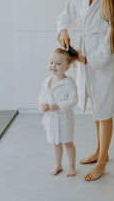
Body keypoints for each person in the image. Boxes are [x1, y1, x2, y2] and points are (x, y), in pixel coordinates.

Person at [56, 0, 114, 181]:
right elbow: (64, 15)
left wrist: (87, 60)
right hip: (84, 56)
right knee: (96, 108)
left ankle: (103, 160)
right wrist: (63, 31)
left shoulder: (112, 5)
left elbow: (110, 44)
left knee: (104, 110)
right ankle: (99, 151)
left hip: (101, 62)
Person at [38, 48, 78, 177]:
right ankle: (58, 164)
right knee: (56, 143)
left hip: (64, 118)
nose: (53, 66)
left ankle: (72, 167)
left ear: (67, 67)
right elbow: (42, 96)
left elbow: (73, 100)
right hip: (51, 118)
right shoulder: (47, 81)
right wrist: (43, 105)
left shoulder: (69, 83)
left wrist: (58, 105)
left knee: (68, 142)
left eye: (58, 63)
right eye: (51, 62)